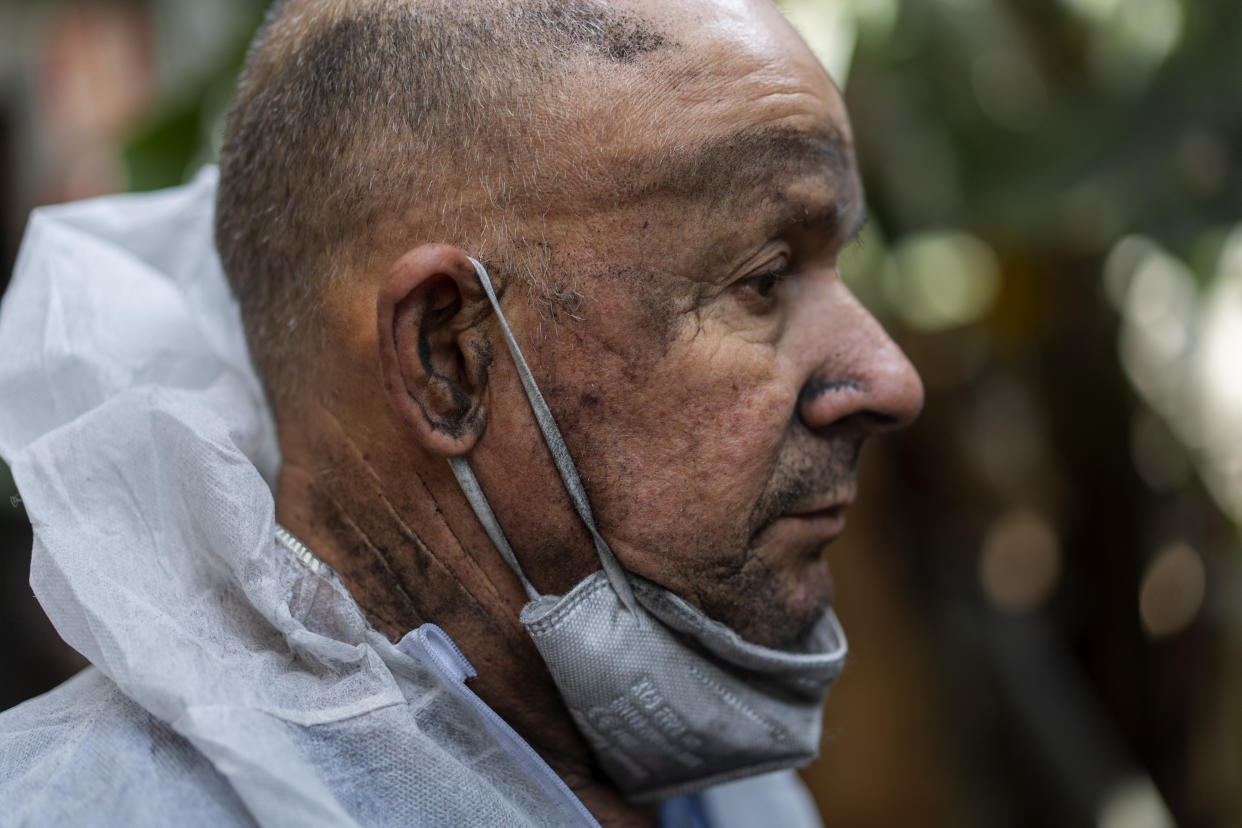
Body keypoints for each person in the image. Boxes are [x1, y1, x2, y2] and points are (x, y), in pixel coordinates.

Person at [0, 0, 922, 825]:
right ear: (448, 356)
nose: (890, 379)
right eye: (761, 282)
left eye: (834, 263)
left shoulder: (706, 771)